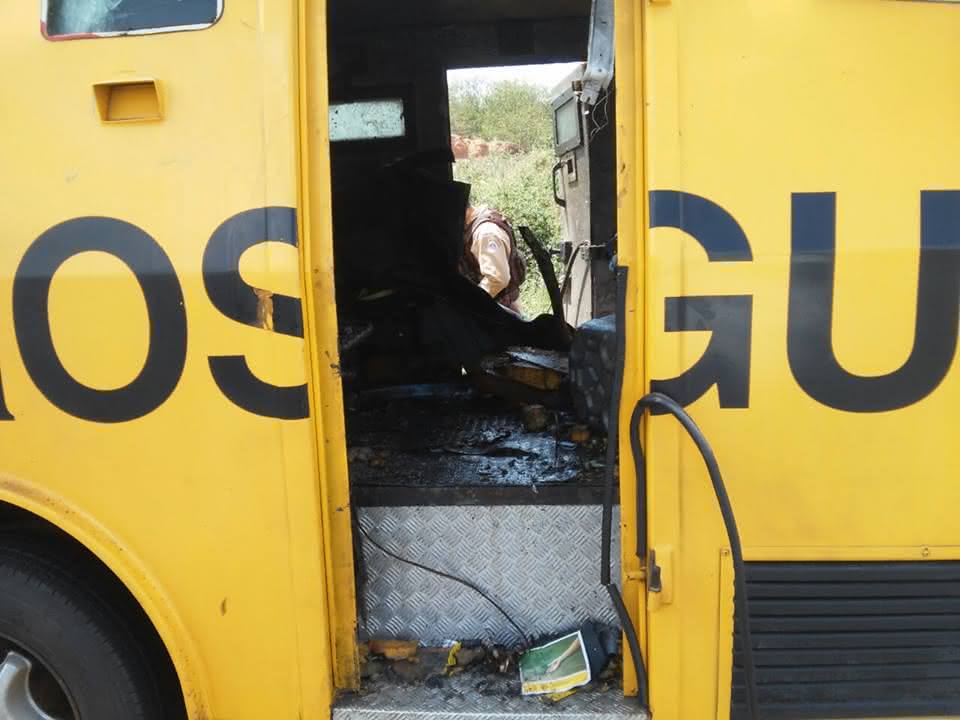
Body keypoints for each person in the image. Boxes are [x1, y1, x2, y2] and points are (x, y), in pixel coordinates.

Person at [460, 204, 526, 313]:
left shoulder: (485, 233)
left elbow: (497, 279)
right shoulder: (475, 220)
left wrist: (470, 303)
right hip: (494, 303)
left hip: (500, 308)